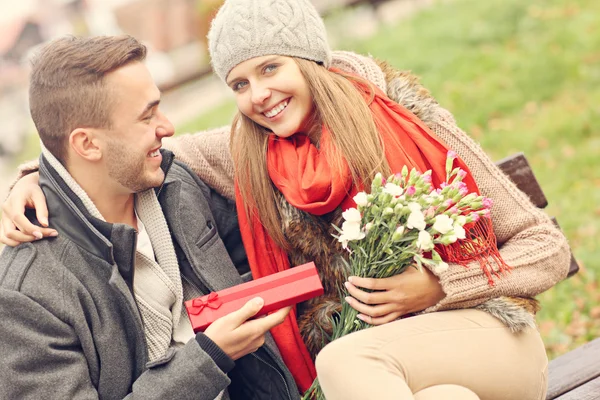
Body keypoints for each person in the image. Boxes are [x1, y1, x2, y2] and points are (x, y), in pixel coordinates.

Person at [1, 1, 571, 398]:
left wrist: (441, 284)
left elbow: (544, 245)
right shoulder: (246, 151)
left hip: (486, 337)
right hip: (405, 376)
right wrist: (38, 175)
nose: (260, 96)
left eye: (271, 67)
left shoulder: (408, 123)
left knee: (345, 360)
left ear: (310, 59)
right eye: (239, 84)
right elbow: (105, 155)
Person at [0, 35, 298, 400]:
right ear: (87, 144)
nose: (168, 127)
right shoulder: (26, 295)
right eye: (147, 116)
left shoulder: (178, 184)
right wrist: (209, 358)